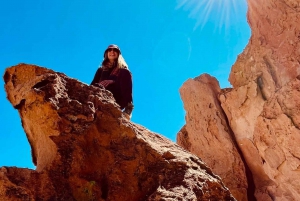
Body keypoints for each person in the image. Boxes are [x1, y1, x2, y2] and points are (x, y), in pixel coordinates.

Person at [91, 44, 133, 119]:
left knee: (125, 72)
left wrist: (113, 81)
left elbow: (126, 89)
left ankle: (128, 108)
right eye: (109, 50)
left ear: (118, 54)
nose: (112, 52)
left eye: (115, 50)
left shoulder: (123, 70)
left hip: (115, 99)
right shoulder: (101, 70)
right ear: (106, 54)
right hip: (100, 95)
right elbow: (93, 84)